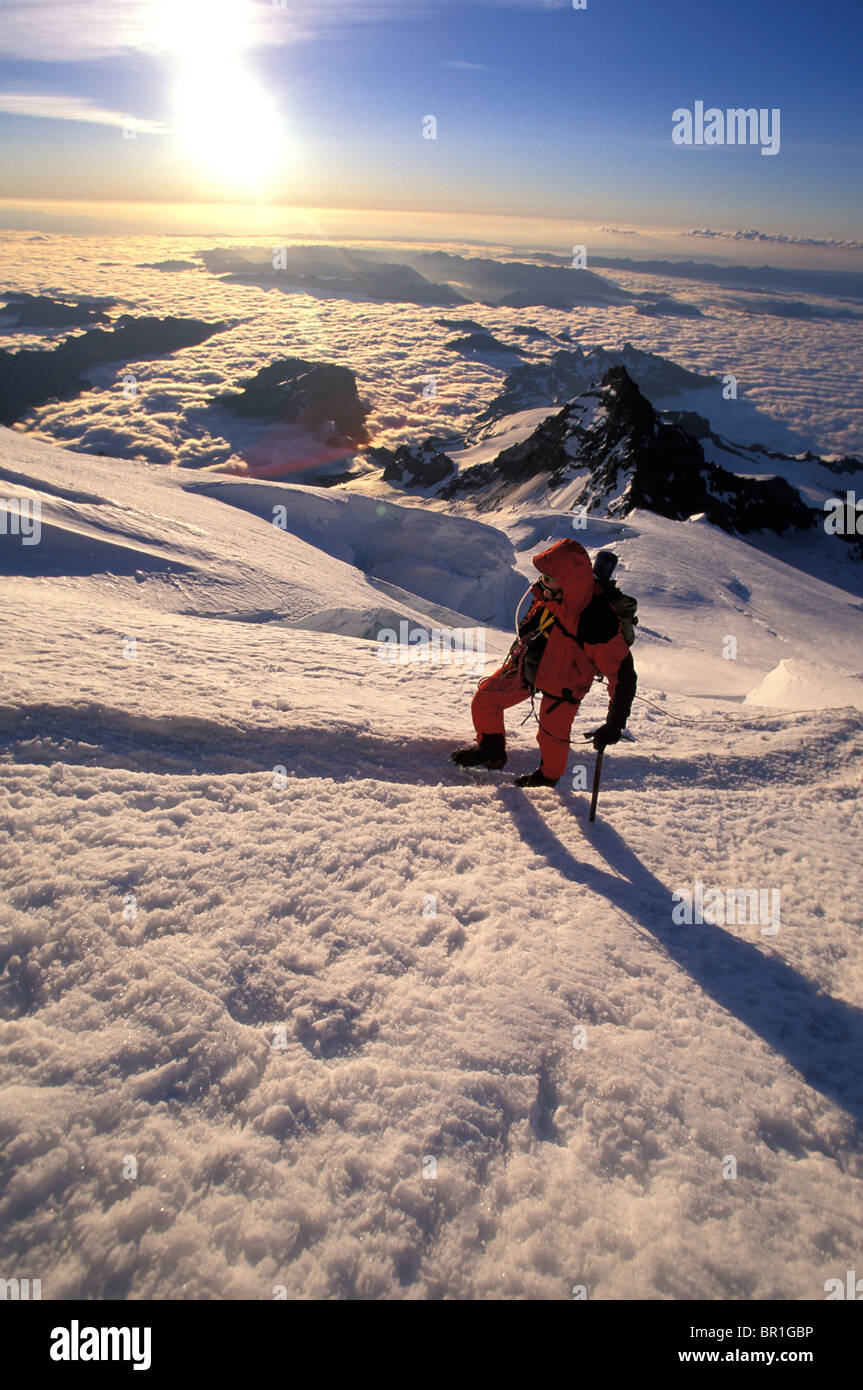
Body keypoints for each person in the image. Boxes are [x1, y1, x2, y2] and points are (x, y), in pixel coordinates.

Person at [451, 537, 637, 786]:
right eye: (543, 576)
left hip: (565, 683)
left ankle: (548, 778)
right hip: (528, 667)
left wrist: (614, 724)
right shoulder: (548, 594)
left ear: (568, 583)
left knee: (552, 734)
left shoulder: (597, 621)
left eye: (549, 577)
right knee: (486, 699)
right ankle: (491, 752)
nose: (541, 581)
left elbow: (623, 676)